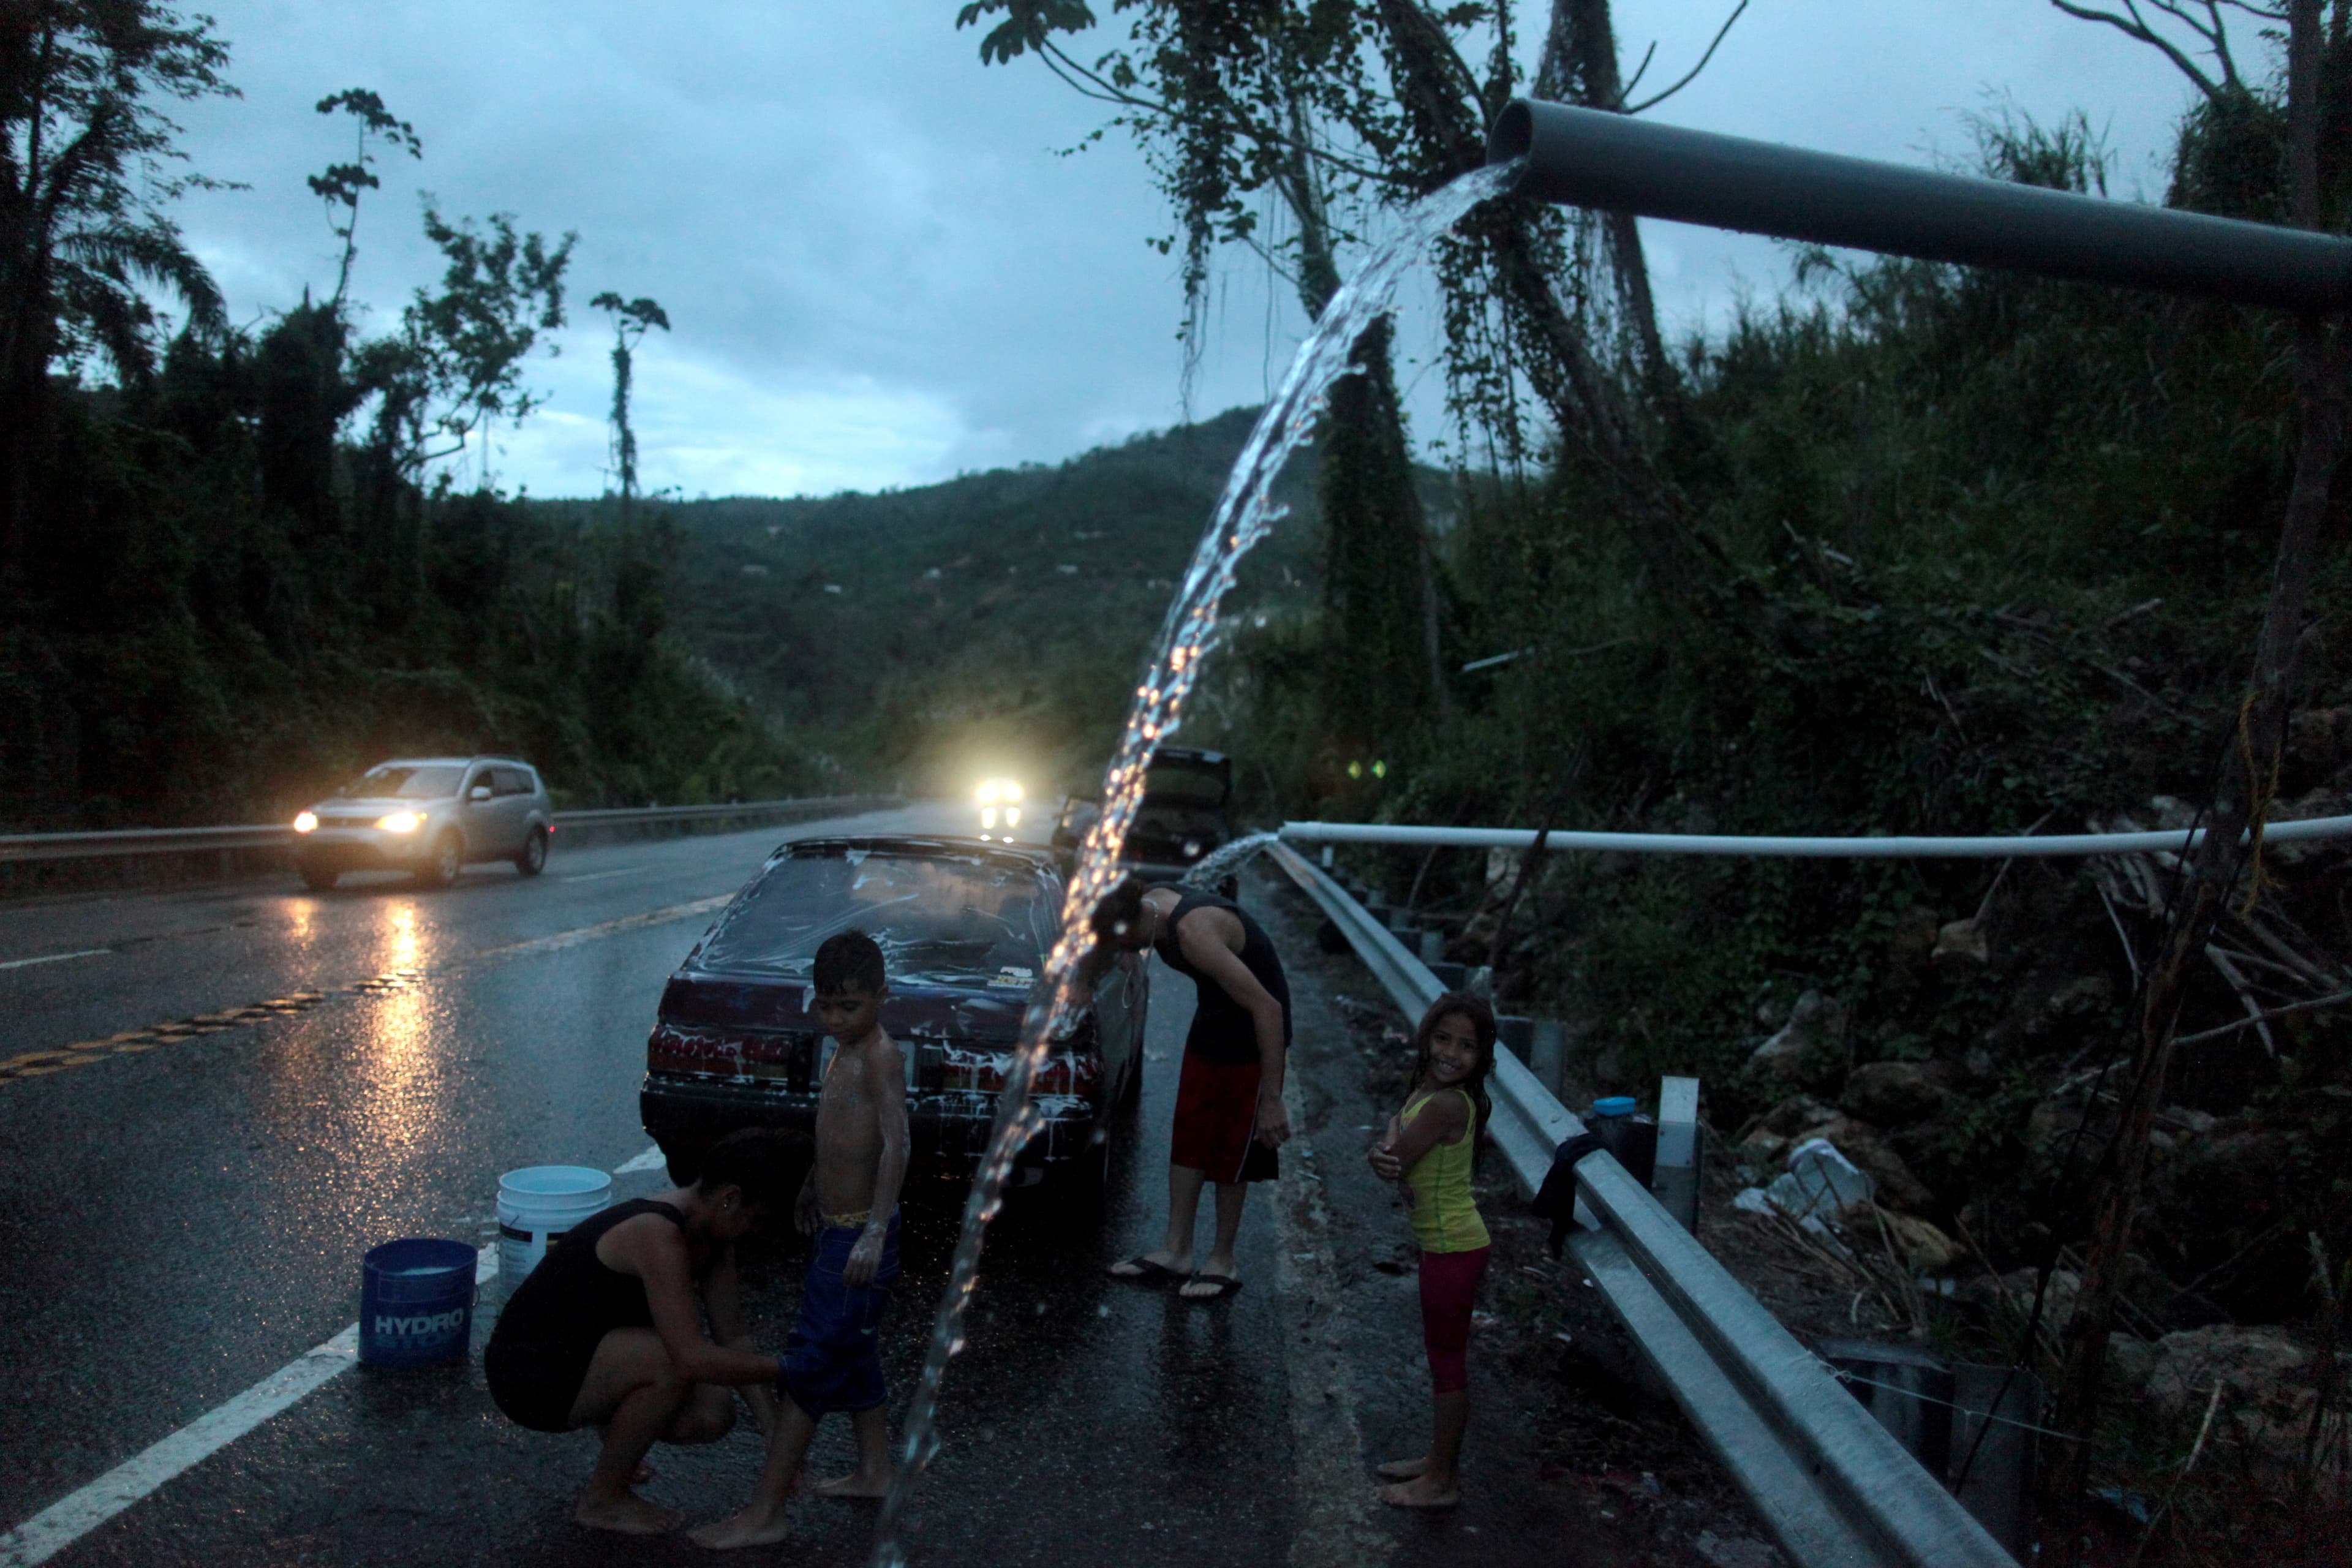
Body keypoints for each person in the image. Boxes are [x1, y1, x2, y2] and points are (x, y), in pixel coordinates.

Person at [695, 929, 910, 1550]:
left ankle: (766, 1511)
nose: (836, 1018)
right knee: (856, 1347)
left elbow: (896, 1142)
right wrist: (814, 1182)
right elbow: (843, 1129)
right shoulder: (841, 1050)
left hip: (858, 1238)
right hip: (838, 1227)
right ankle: (874, 1470)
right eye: (826, 1005)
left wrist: (873, 1229)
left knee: (811, 1364)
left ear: (881, 998)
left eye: (851, 1006)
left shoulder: (879, 1055)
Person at [482, 1127, 794, 1536]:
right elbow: (689, 1356)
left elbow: (733, 1337)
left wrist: (776, 1436)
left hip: (582, 1356)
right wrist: (791, 1369)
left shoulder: (715, 1239)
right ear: (729, 1199)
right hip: (526, 1375)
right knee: (673, 1362)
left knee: (713, 1412)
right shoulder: (656, 1232)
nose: (758, 1232)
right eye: (757, 1220)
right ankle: (603, 1499)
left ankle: (617, 1436)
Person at [1084, 873, 1291, 1302]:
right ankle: (1176, 1250)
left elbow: (1268, 1009)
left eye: (1124, 944)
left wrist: (1272, 1100)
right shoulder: (1147, 905)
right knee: (1190, 1133)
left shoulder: (1192, 932)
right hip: (1214, 1019)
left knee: (1231, 1146)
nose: (1125, 953)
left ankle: (1223, 1260)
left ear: (1134, 924)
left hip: (1252, 1031)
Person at [1366, 991, 1496, 1509]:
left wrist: (1382, 1152)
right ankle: (1438, 1462)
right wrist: (1386, 1148)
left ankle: (1442, 1481)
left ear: (1482, 1056)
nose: (1451, 1052)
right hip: (1444, 1245)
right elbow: (1393, 1142)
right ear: (1426, 1038)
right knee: (1442, 1359)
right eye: (1443, 1038)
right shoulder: (1430, 1088)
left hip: (1454, 1249)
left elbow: (1390, 1158)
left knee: (1447, 1364)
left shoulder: (1444, 1103)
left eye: (1466, 1045)